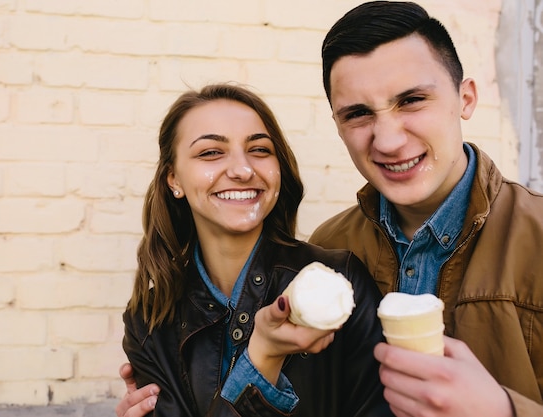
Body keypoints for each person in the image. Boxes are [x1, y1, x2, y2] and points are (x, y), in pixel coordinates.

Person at [310, 1, 543, 416]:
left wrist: (504, 412)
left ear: (466, 98)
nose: (388, 141)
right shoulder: (327, 248)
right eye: (359, 114)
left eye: (412, 100)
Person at [116, 83, 392, 417]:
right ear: (173, 178)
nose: (243, 170)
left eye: (259, 150)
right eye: (210, 153)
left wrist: (262, 358)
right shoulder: (148, 320)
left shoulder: (340, 282)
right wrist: (263, 357)